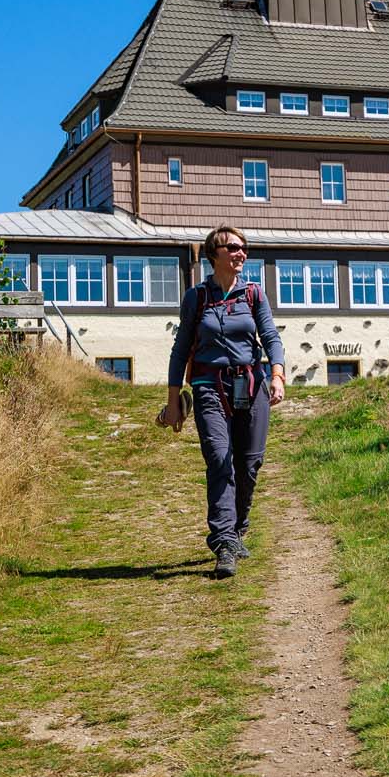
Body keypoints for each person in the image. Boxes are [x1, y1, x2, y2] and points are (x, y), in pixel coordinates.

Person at [157, 224, 286, 578]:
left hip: (251, 383)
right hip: (209, 386)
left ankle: (239, 525)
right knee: (219, 459)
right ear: (214, 254)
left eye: (244, 247)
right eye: (232, 248)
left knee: (249, 463)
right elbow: (180, 350)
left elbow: (271, 337)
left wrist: (276, 375)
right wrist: (173, 404)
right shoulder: (196, 298)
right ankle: (224, 541)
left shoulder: (254, 294)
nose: (240, 253)